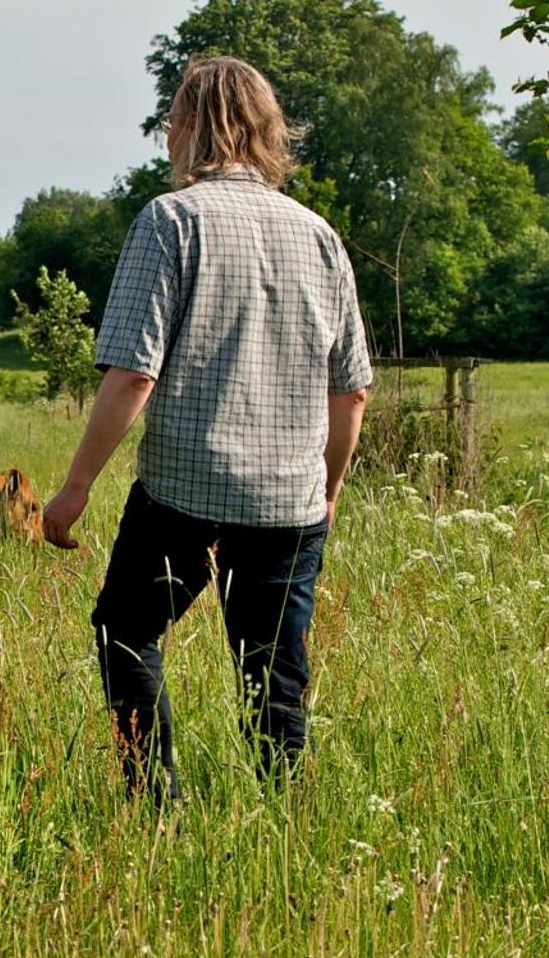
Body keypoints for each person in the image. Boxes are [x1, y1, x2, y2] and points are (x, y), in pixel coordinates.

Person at [40, 56, 372, 802]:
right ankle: (284, 819)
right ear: (264, 132)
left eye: (171, 120)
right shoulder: (319, 236)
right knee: (274, 669)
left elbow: (132, 373)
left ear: (189, 127)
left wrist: (73, 490)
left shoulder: (170, 221)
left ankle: (157, 803)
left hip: (186, 491)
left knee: (125, 631)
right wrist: (329, 490)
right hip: (291, 500)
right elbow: (350, 393)